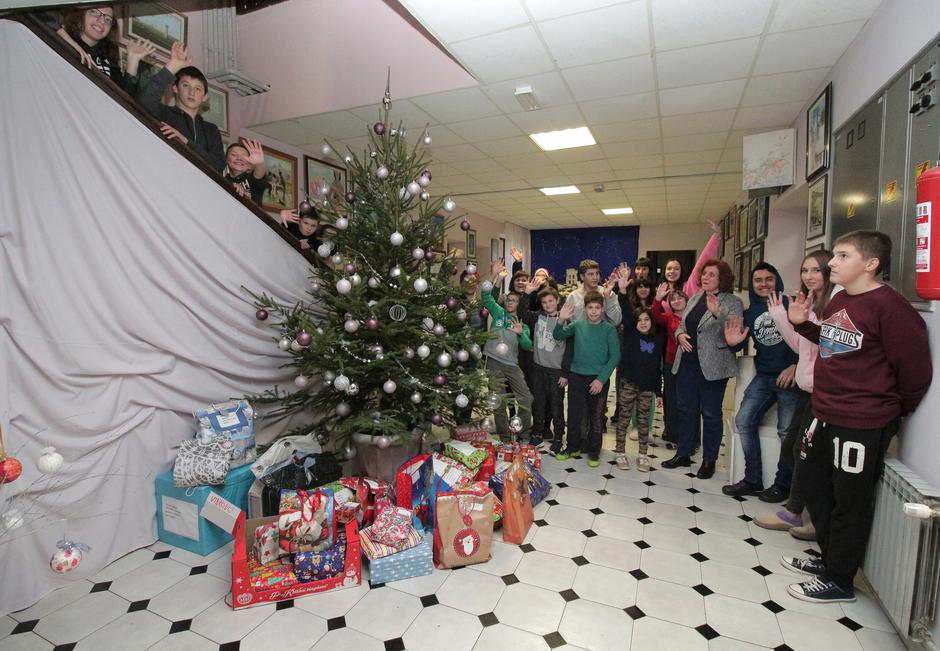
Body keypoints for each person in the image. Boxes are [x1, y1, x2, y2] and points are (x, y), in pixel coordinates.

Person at [781, 231, 931, 604]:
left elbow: (914, 371)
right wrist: (803, 325)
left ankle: (840, 579)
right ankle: (829, 558)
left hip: (861, 420)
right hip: (824, 409)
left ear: (871, 263)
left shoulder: (891, 307)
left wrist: (891, 410)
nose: (832, 262)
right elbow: (838, 342)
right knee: (815, 487)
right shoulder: (839, 299)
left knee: (850, 500)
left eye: (842, 256)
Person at [754, 250, 836, 540]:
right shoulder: (809, 302)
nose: (809, 276)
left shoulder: (836, 306)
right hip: (809, 390)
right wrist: (782, 317)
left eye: (816, 270)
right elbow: (804, 345)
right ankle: (797, 510)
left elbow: (819, 348)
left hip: (825, 394)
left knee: (806, 453)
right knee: (795, 449)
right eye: (805, 270)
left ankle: (805, 514)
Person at [721, 263, 801, 499]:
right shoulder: (751, 312)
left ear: (777, 280)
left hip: (790, 378)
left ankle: (783, 485)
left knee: (786, 432)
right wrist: (732, 343)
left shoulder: (791, 305)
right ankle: (752, 479)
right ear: (752, 285)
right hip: (764, 376)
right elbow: (741, 342)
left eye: (769, 279)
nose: (764, 284)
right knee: (743, 421)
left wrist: (796, 365)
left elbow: (808, 340)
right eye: (758, 280)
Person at [662, 260, 743, 479]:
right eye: (704, 274)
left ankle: (709, 460)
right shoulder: (696, 297)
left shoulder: (732, 302)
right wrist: (679, 335)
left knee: (710, 414)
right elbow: (682, 324)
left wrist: (719, 314)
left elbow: (736, 331)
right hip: (687, 364)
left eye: (711, 274)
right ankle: (684, 453)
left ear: (722, 278)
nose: (705, 278)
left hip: (713, 368)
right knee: (686, 410)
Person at [552, 292, 620, 467]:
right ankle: (572, 446)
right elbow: (558, 335)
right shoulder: (577, 325)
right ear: (585, 308)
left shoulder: (609, 329)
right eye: (590, 308)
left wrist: (601, 379)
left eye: (597, 308)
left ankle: (594, 450)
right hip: (576, 377)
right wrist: (561, 319)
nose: (594, 311)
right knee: (574, 415)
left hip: (598, 380)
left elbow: (615, 356)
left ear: (602, 309)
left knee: (596, 417)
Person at [138, 41, 225, 172]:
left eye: (197, 88)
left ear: (205, 96)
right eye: (186, 85)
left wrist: (185, 142)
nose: (191, 93)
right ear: (175, 88)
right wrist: (172, 67)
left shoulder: (211, 130)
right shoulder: (163, 113)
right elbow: (144, 102)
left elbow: (218, 165)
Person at [48, 6, 154, 95]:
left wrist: (133, 60)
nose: (102, 21)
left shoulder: (108, 57)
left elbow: (124, 101)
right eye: (94, 12)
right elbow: (39, 16)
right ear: (80, 15)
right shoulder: (62, 42)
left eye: (108, 19)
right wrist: (70, 42)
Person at [517, 285, 572, 453]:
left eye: (551, 301)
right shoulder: (538, 317)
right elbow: (522, 313)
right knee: (538, 403)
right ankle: (538, 434)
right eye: (544, 302)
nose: (548, 304)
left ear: (557, 301)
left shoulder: (567, 322)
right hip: (538, 369)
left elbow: (570, 350)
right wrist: (526, 293)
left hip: (556, 372)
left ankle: (557, 438)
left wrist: (565, 373)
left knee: (556, 406)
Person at [481, 289, 533, 440]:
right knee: (498, 401)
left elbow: (527, 345)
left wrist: (520, 333)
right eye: (508, 299)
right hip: (493, 361)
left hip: (511, 364)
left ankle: (522, 433)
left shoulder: (522, 324)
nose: (510, 302)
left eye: (514, 300)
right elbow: (486, 297)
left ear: (519, 304)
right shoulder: (499, 312)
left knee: (526, 398)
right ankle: (504, 436)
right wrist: (494, 275)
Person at [614, 307, 661, 472]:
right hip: (629, 384)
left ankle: (643, 454)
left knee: (643, 422)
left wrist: (659, 392)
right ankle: (620, 451)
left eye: (646, 319)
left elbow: (657, 368)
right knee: (624, 419)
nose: (643, 323)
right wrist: (623, 291)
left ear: (651, 322)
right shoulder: (631, 336)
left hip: (647, 388)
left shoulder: (657, 340)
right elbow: (626, 314)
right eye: (639, 320)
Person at [652, 286, 688, 450]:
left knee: (687, 401)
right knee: (671, 399)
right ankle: (673, 436)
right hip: (670, 362)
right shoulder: (668, 317)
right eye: (673, 299)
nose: (676, 301)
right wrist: (657, 299)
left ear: (687, 300)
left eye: (680, 298)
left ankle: (688, 437)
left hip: (689, 364)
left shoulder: (693, 317)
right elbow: (655, 316)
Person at [659, 221, 722, 307]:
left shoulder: (688, 286)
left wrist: (716, 237)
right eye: (669, 268)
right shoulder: (660, 290)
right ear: (664, 271)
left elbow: (702, 261)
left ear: (681, 272)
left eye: (676, 269)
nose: (672, 271)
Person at [224, 139, 269, 205]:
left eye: (243, 156)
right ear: (226, 160)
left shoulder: (252, 179)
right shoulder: (221, 179)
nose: (239, 158)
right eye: (234, 155)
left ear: (249, 165)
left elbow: (259, 176)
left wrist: (259, 164)